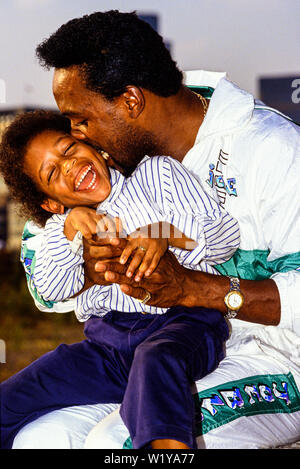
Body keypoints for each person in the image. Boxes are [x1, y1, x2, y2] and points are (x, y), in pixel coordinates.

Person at [4, 10, 300, 449]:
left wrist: (189, 285)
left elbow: (215, 241)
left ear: (130, 101)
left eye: (79, 120)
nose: (76, 134)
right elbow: (42, 276)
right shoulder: (107, 164)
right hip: (130, 352)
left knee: (118, 443)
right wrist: (86, 262)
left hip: (277, 357)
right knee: (41, 440)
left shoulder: (273, 150)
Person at [0, 110, 239, 449]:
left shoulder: (157, 174)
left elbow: (223, 236)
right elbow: (52, 289)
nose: (68, 165)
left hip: (185, 324)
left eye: (67, 149)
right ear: (51, 203)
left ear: (89, 143)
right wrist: (69, 233)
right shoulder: (61, 228)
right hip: (107, 346)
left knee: (155, 361)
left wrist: (163, 235)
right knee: (11, 399)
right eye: (52, 172)